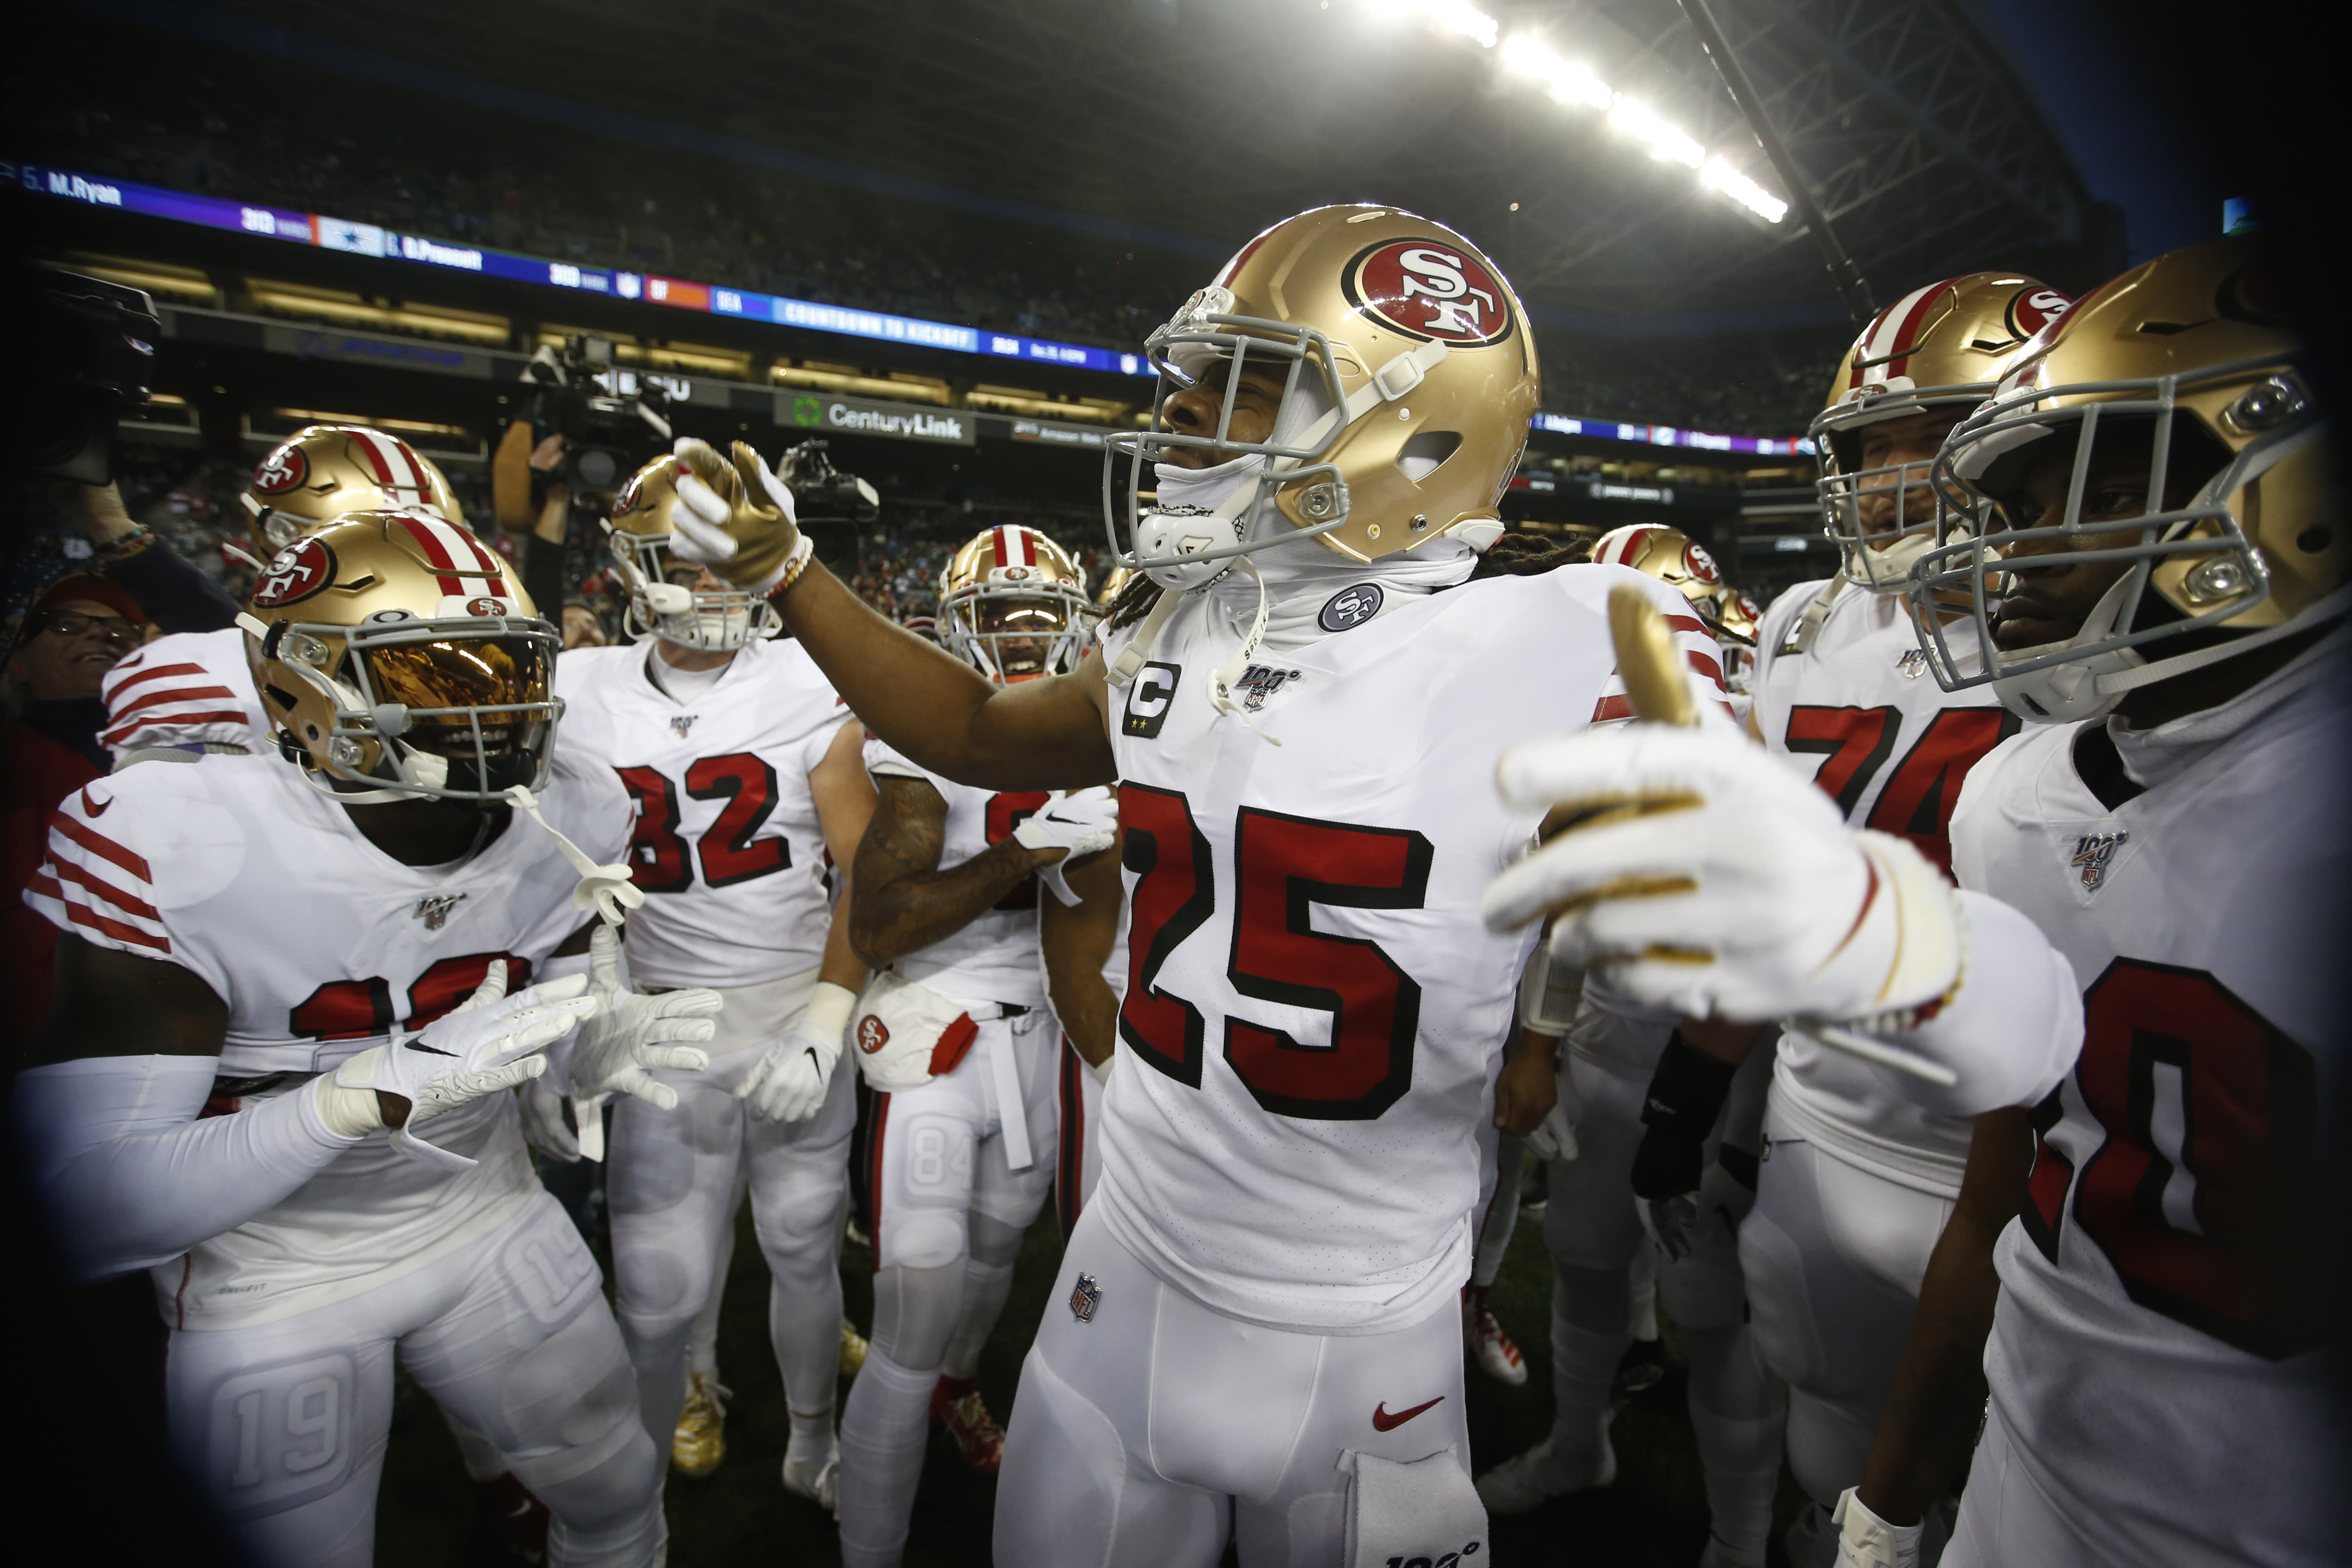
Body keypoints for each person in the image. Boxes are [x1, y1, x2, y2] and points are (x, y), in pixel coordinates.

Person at [662, 205, 1730, 1568]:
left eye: (1242, 385)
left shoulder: (1555, 643)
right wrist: (793, 576)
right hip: (1135, 1259)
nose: (1178, 415)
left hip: (1360, 1322)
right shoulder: (1197, 621)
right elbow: (982, 735)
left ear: (1407, 434)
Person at [12, 511, 720, 1568]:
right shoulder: (186, 835)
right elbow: (87, 1206)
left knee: (620, 1484)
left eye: (504, 666)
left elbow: (551, 1011)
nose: (488, 706)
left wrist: (588, 1054)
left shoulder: (571, 801)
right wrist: (348, 1100)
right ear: (303, 683)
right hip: (272, 1268)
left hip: (483, 1210)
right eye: (430, 674)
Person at [1845, 234, 2347, 1567]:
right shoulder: (2016, 795)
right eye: (2016, 509)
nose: (2018, 557)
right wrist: (1893, 1502)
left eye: (2099, 485)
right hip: (2026, 1477)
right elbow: (2000, 1196)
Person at [1647, 274, 2071, 1565]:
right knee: (1833, 1446)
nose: (1889, 478)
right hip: (1825, 1121)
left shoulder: (2094, 625)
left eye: (1926, 436)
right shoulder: (1806, 622)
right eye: (1869, 446)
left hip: (2022, 1157)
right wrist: (1692, 1100)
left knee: (2018, 1501)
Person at [553, 449, 877, 1508]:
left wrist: (828, 1019)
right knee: (655, 1282)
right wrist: (578, 1006)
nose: (707, 586)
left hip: (790, 1000)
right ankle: (660, 1439)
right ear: (629, 565)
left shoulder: (808, 676)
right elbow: (536, 860)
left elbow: (867, 867)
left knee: (800, 1241)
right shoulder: (579, 690)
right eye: (682, 563)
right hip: (660, 1020)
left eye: (722, 562)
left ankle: (809, 1440)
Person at [1473, 522, 1785, 1568]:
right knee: (1582, 1257)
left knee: (1708, 1301)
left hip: (1712, 1061)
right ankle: (1577, 1446)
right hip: (1606, 1039)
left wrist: (1718, 1112)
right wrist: (1542, 1041)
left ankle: (1738, 1534)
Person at [832, 522, 1115, 1568]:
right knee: (915, 1288)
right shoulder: (922, 735)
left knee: (997, 1259)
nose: (1027, 633)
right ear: (961, 625)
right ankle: (871, 1540)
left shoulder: (1118, 719)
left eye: (1045, 612)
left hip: (1045, 1036)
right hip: (939, 1034)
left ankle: (958, 1387)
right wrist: (1020, 852)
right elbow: (881, 922)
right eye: (1002, 614)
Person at [98, 424, 466, 764]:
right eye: (382, 546)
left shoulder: (483, 655)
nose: (419, 565)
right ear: (285, 537)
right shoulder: (205, 672)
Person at [4, 573, 148, 1047]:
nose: (99, 634)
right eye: (67, 624)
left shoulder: (187, 761)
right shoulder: (15, 756)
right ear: (18, 660)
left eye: (121, 631)